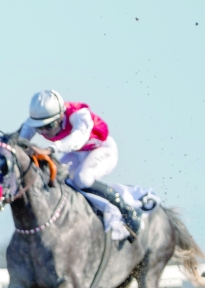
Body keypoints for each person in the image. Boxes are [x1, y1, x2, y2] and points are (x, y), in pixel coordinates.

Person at [19, 89, 141, 239]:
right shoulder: (39, 118)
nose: (44, 131)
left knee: (83, 179)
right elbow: (19, 141)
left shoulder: (79, 114)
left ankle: (126, 210)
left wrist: (50, 149)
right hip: (76, 154)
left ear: (61, 115)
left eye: (49, 126)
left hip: (102, 149)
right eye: (39, 128)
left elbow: (78, 138)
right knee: (55, 179)